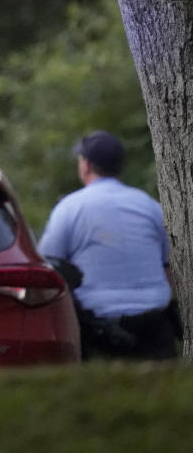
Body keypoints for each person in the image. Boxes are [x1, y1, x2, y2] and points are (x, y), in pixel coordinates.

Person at [38, 130, 177, 360]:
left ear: (86, 165)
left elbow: (47, 267)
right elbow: (167, 268)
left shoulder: (70, 208)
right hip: (156, 327)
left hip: (101, 332)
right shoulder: (149, 206)